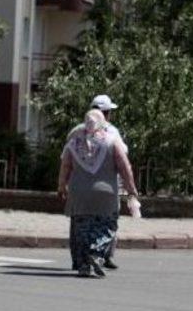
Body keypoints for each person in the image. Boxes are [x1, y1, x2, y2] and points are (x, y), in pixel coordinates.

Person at [58, 109, 139, 278]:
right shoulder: (111, 141)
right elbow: (125, 167)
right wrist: (131, 189)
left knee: (82, 230)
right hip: (106, 194)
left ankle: (83, 267)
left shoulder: (73, 144)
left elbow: (65, 166)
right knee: (107, 226)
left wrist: (61, 186)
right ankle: (95, 254)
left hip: (78, 193)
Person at [66, 94, 127, 269]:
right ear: (106, 114)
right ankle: (102, 255)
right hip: (106, 187)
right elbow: (123, 155)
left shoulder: (77, 131)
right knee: (108, 221)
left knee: (79, 223)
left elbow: (66, 158)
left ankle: (79, 259)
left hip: (78, 186)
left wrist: (62, 183)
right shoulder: (111, 132)